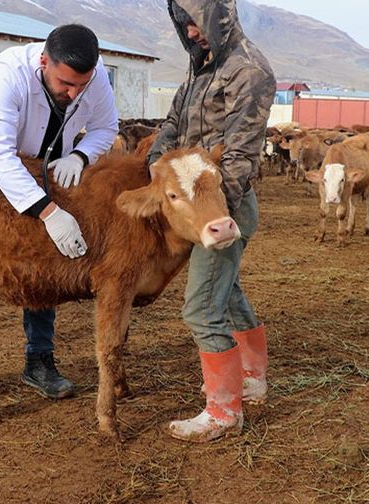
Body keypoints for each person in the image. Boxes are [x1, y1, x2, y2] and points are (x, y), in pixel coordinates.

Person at [0, 24, 119, 400]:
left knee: (47, 263)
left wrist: (80, 155)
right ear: (44, 62)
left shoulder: (95, 76)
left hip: (46, 169)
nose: (74, 94)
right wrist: (49, 212)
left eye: (82, 85)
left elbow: (106, 126)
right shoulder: (8, 72)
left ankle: (39, 361)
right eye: (66, 83)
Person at [147, 0, 275, 442]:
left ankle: (223, 412)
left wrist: (213, 213)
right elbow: (173, 124)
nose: (192, 32)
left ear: (221, 15)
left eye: (198, 21)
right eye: (184, 23)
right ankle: (252, 378)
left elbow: (240, 154)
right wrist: (155, 166)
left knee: (202, 306)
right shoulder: (202, 66)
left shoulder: (248, 70)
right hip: (198, 201)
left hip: (221, 207)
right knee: (227, 290)